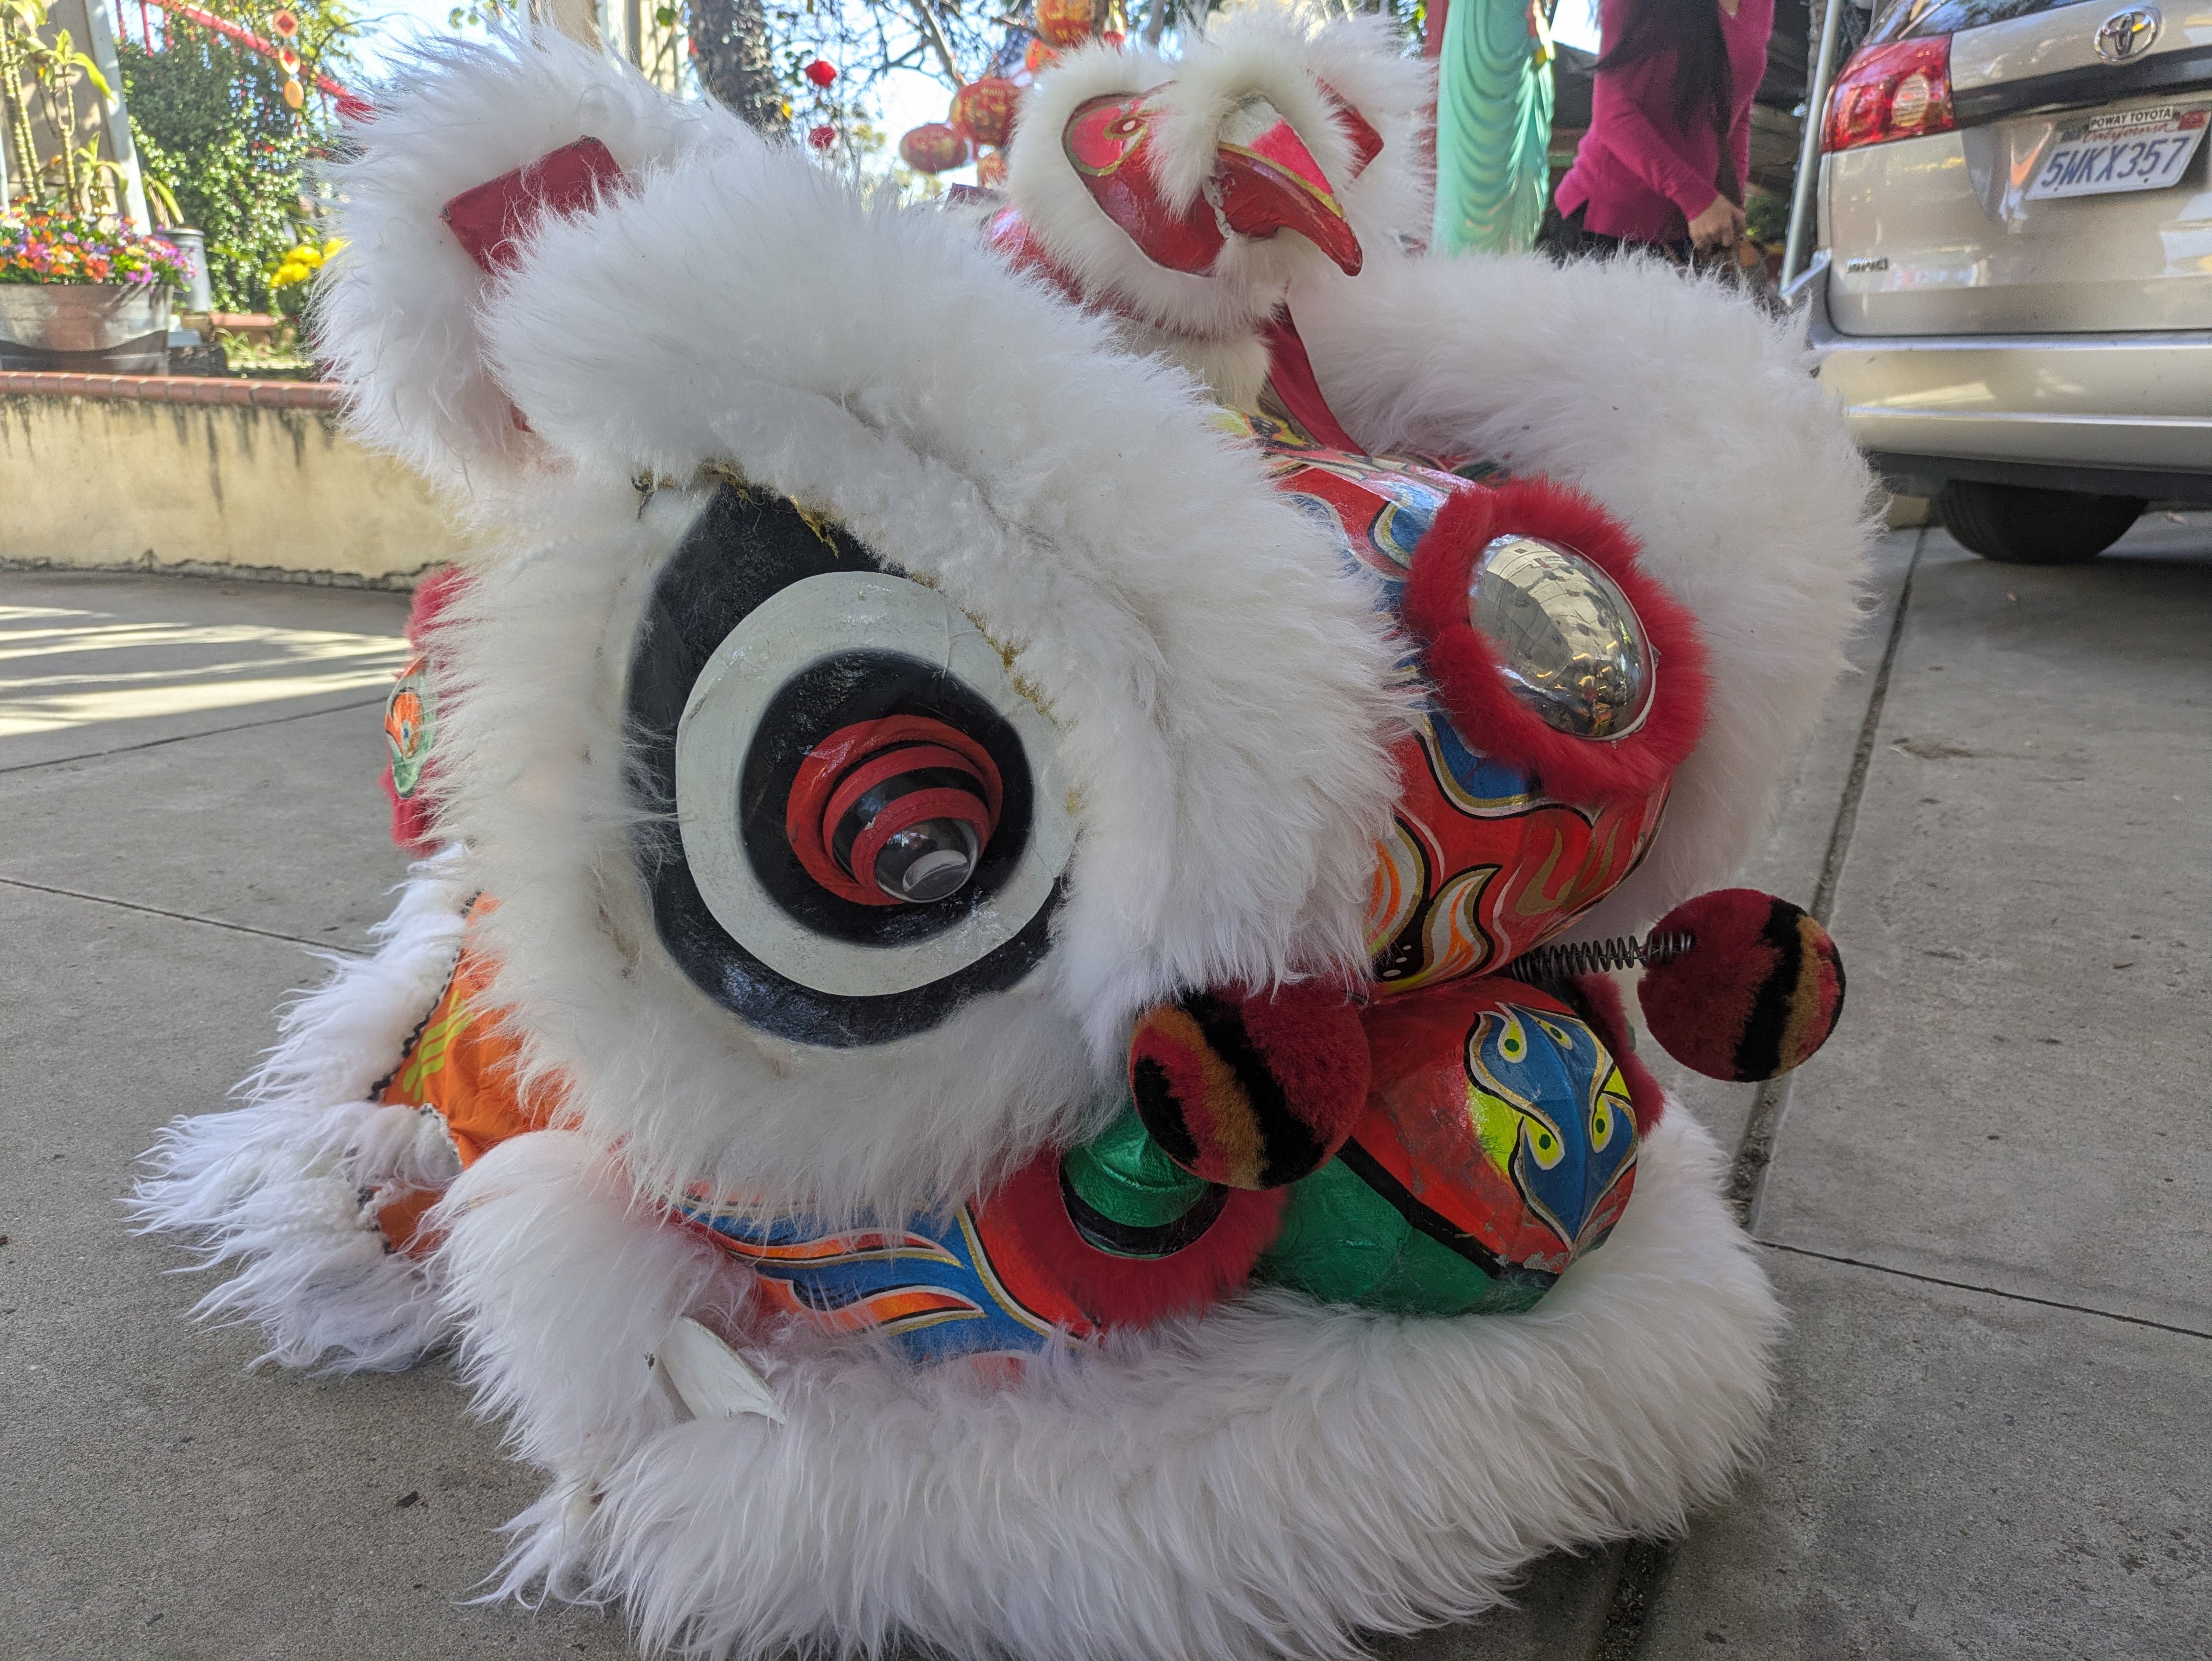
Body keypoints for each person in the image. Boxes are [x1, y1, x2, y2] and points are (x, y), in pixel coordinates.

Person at [1548, 0, 1775, 260]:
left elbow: (1738, 105)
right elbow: (1612, 115)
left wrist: (1730, 208)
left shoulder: (1761, 5)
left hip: (1689, 233)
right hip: (1607, 227)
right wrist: (1697, 199)